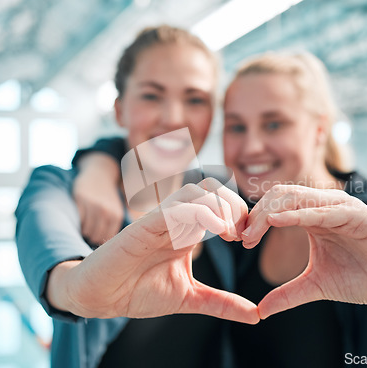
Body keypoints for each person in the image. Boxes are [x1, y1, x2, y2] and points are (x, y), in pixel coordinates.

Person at [71, 51, 367, 367]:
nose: (250, 148)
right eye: (236, 126)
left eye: (273, 124)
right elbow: (139, 147)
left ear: (319, 128)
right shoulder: (234, 213)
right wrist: (96, 166)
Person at [16, 25, 260, 368]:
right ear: (119, 109)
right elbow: (59, 274)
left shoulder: (224, 195)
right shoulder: (59, 189)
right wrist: (81, 289)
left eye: (195, 99)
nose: (173, 117)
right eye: (151, 95)